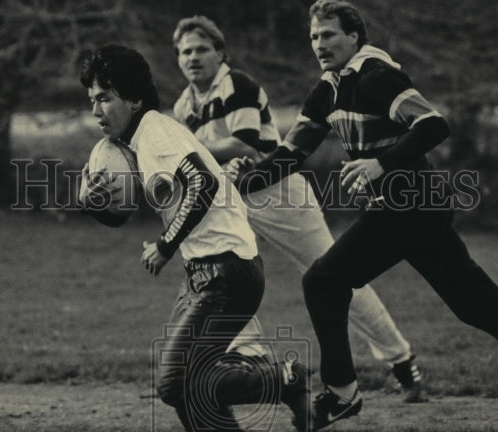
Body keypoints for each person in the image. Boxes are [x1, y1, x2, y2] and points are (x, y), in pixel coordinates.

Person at [233, 0, 498, 432]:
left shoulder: (377, 77)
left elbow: (432, 124)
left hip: (409, 205)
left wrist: (380, 164)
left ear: (354, 36)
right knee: (474, 303)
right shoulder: (327, 90)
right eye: (314, 36)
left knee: (323, 280)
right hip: (409, 208)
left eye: (328, 34)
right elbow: (291, 154)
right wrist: (245, 179)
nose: (319, 44)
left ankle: (341, 391)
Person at [78, 44, 311, 432]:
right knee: (183, 382)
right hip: (208, 270)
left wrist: (165, 246)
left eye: (104, 97)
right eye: (92, 99)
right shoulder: (142, 137)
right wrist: (93, 203)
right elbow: (121, 216)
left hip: (226, 270)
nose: (96, 109)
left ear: (133, 98)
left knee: (176, 381)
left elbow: (202, 183)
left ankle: (284, 380)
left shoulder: (155, 133)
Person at [170, 15, 424, 401]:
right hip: (227, 199)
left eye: (202, 48)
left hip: (277, 190)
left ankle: (402, 362)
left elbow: (243, 144)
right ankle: (250, 356)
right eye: (185, 51)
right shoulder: (184, 106)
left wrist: (184, 148)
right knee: (218, 275)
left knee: (335, 274)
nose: (193, 57)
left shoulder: (235, 84)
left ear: (220, 52)